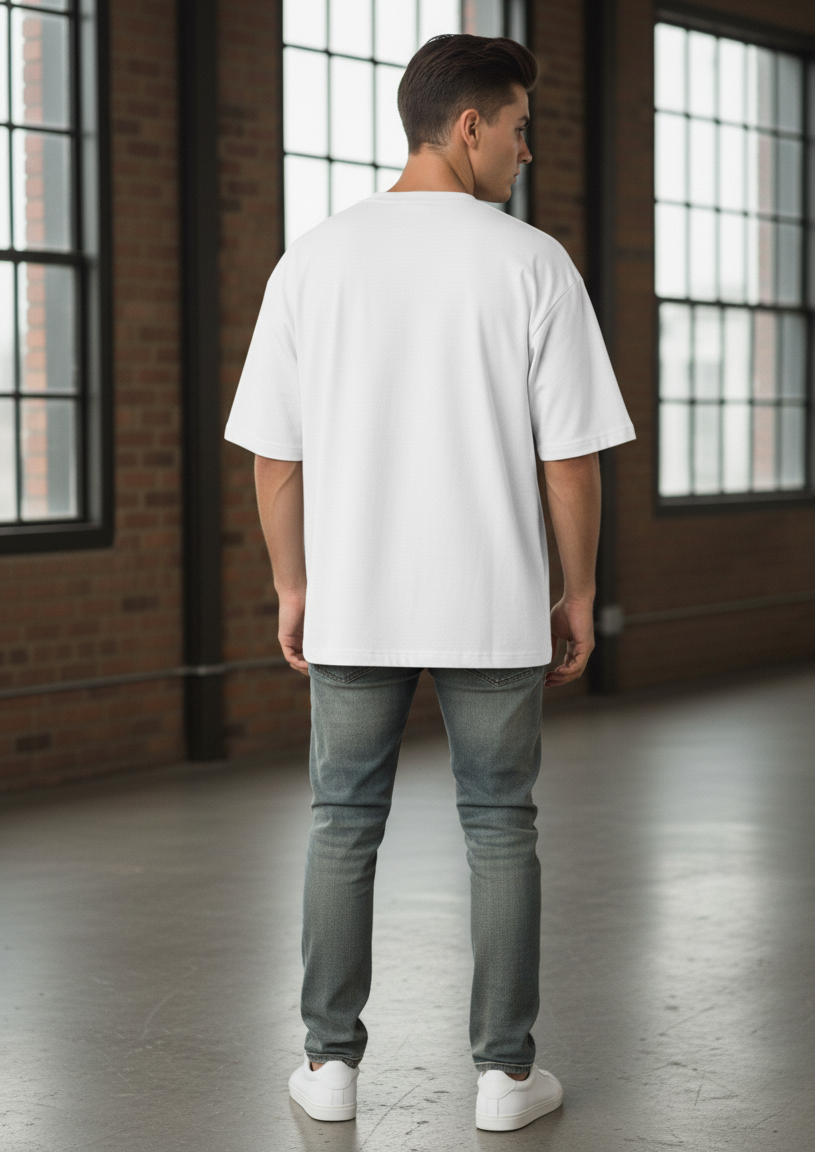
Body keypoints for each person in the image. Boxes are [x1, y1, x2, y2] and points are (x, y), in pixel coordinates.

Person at [224, 33, 635, 1133]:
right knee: (499, 824)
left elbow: (274, 456)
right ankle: (504, 1079)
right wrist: (577, 590)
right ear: (465, 128)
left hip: (354, 598)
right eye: (515, 126)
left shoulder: (313, 259)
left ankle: (328, 1066)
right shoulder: (529, 264)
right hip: (492, 602)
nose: (524, 150)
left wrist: (291, 584)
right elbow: (569, 461)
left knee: (339, 821)